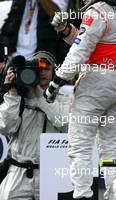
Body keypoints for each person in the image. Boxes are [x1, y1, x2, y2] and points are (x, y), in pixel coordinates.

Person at [44, 0, 116, 200]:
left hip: (94, 84)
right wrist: (66, 30)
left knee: (80, 146)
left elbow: (81, 51)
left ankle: (82, 195)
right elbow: (93, 46)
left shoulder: (97, 10)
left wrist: (57, 81)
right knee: (111, 147)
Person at [0, 50, 70, 199]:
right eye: (38, 68)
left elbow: (63, 123)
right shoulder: (17, 94)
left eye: (46, 68)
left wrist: (39, 94)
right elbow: (6, 127)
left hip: (51, 172)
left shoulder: (65, 97)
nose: (42, 72)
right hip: (18, 169)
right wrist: (11, 93)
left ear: (54, 72)